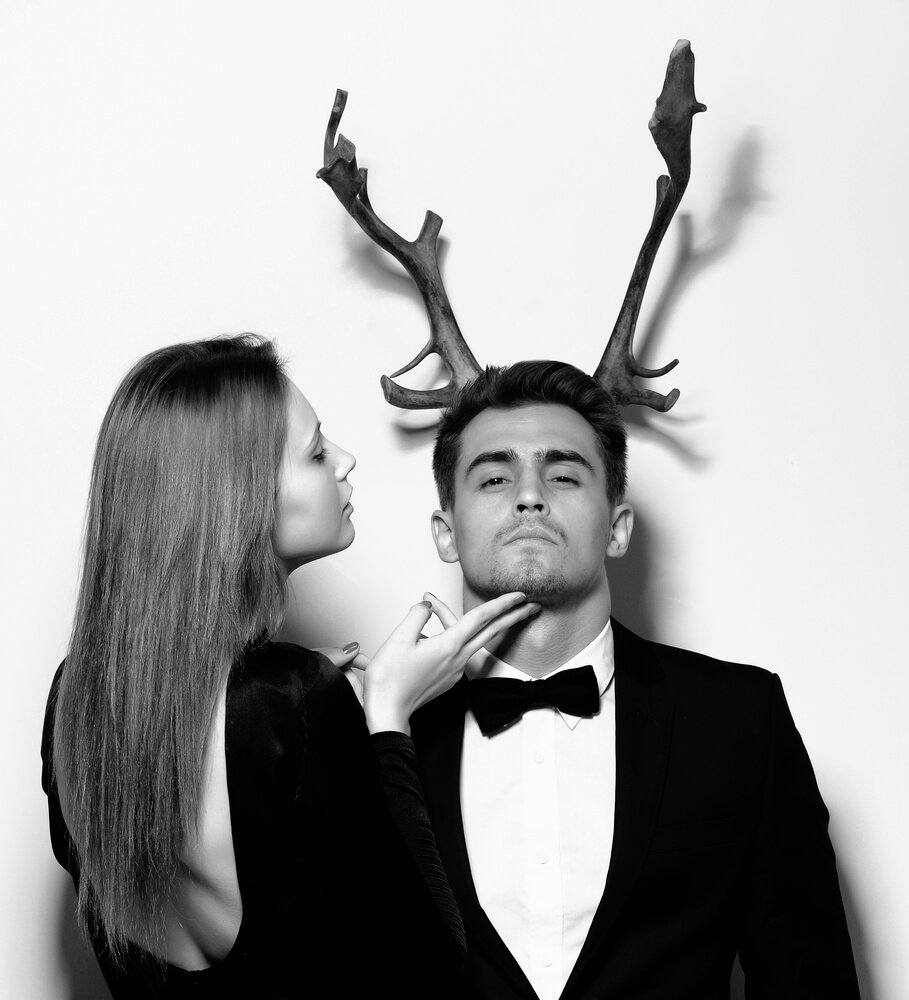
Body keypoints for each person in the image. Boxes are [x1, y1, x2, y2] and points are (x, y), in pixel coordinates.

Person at [41, 334, 539, 999]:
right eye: (315, 452)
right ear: (238, 497)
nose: (346, 459)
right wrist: (386, 720)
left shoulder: (75, 695)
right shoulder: (291, 699)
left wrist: (300, 703)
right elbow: (430, 971)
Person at [412, 359, 862, 1000]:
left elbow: (810, 982)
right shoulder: (378, 735)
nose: (530, 495)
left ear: (618, 528)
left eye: (563, 474)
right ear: (446, 533)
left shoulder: (741, 719)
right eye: (494, 478)